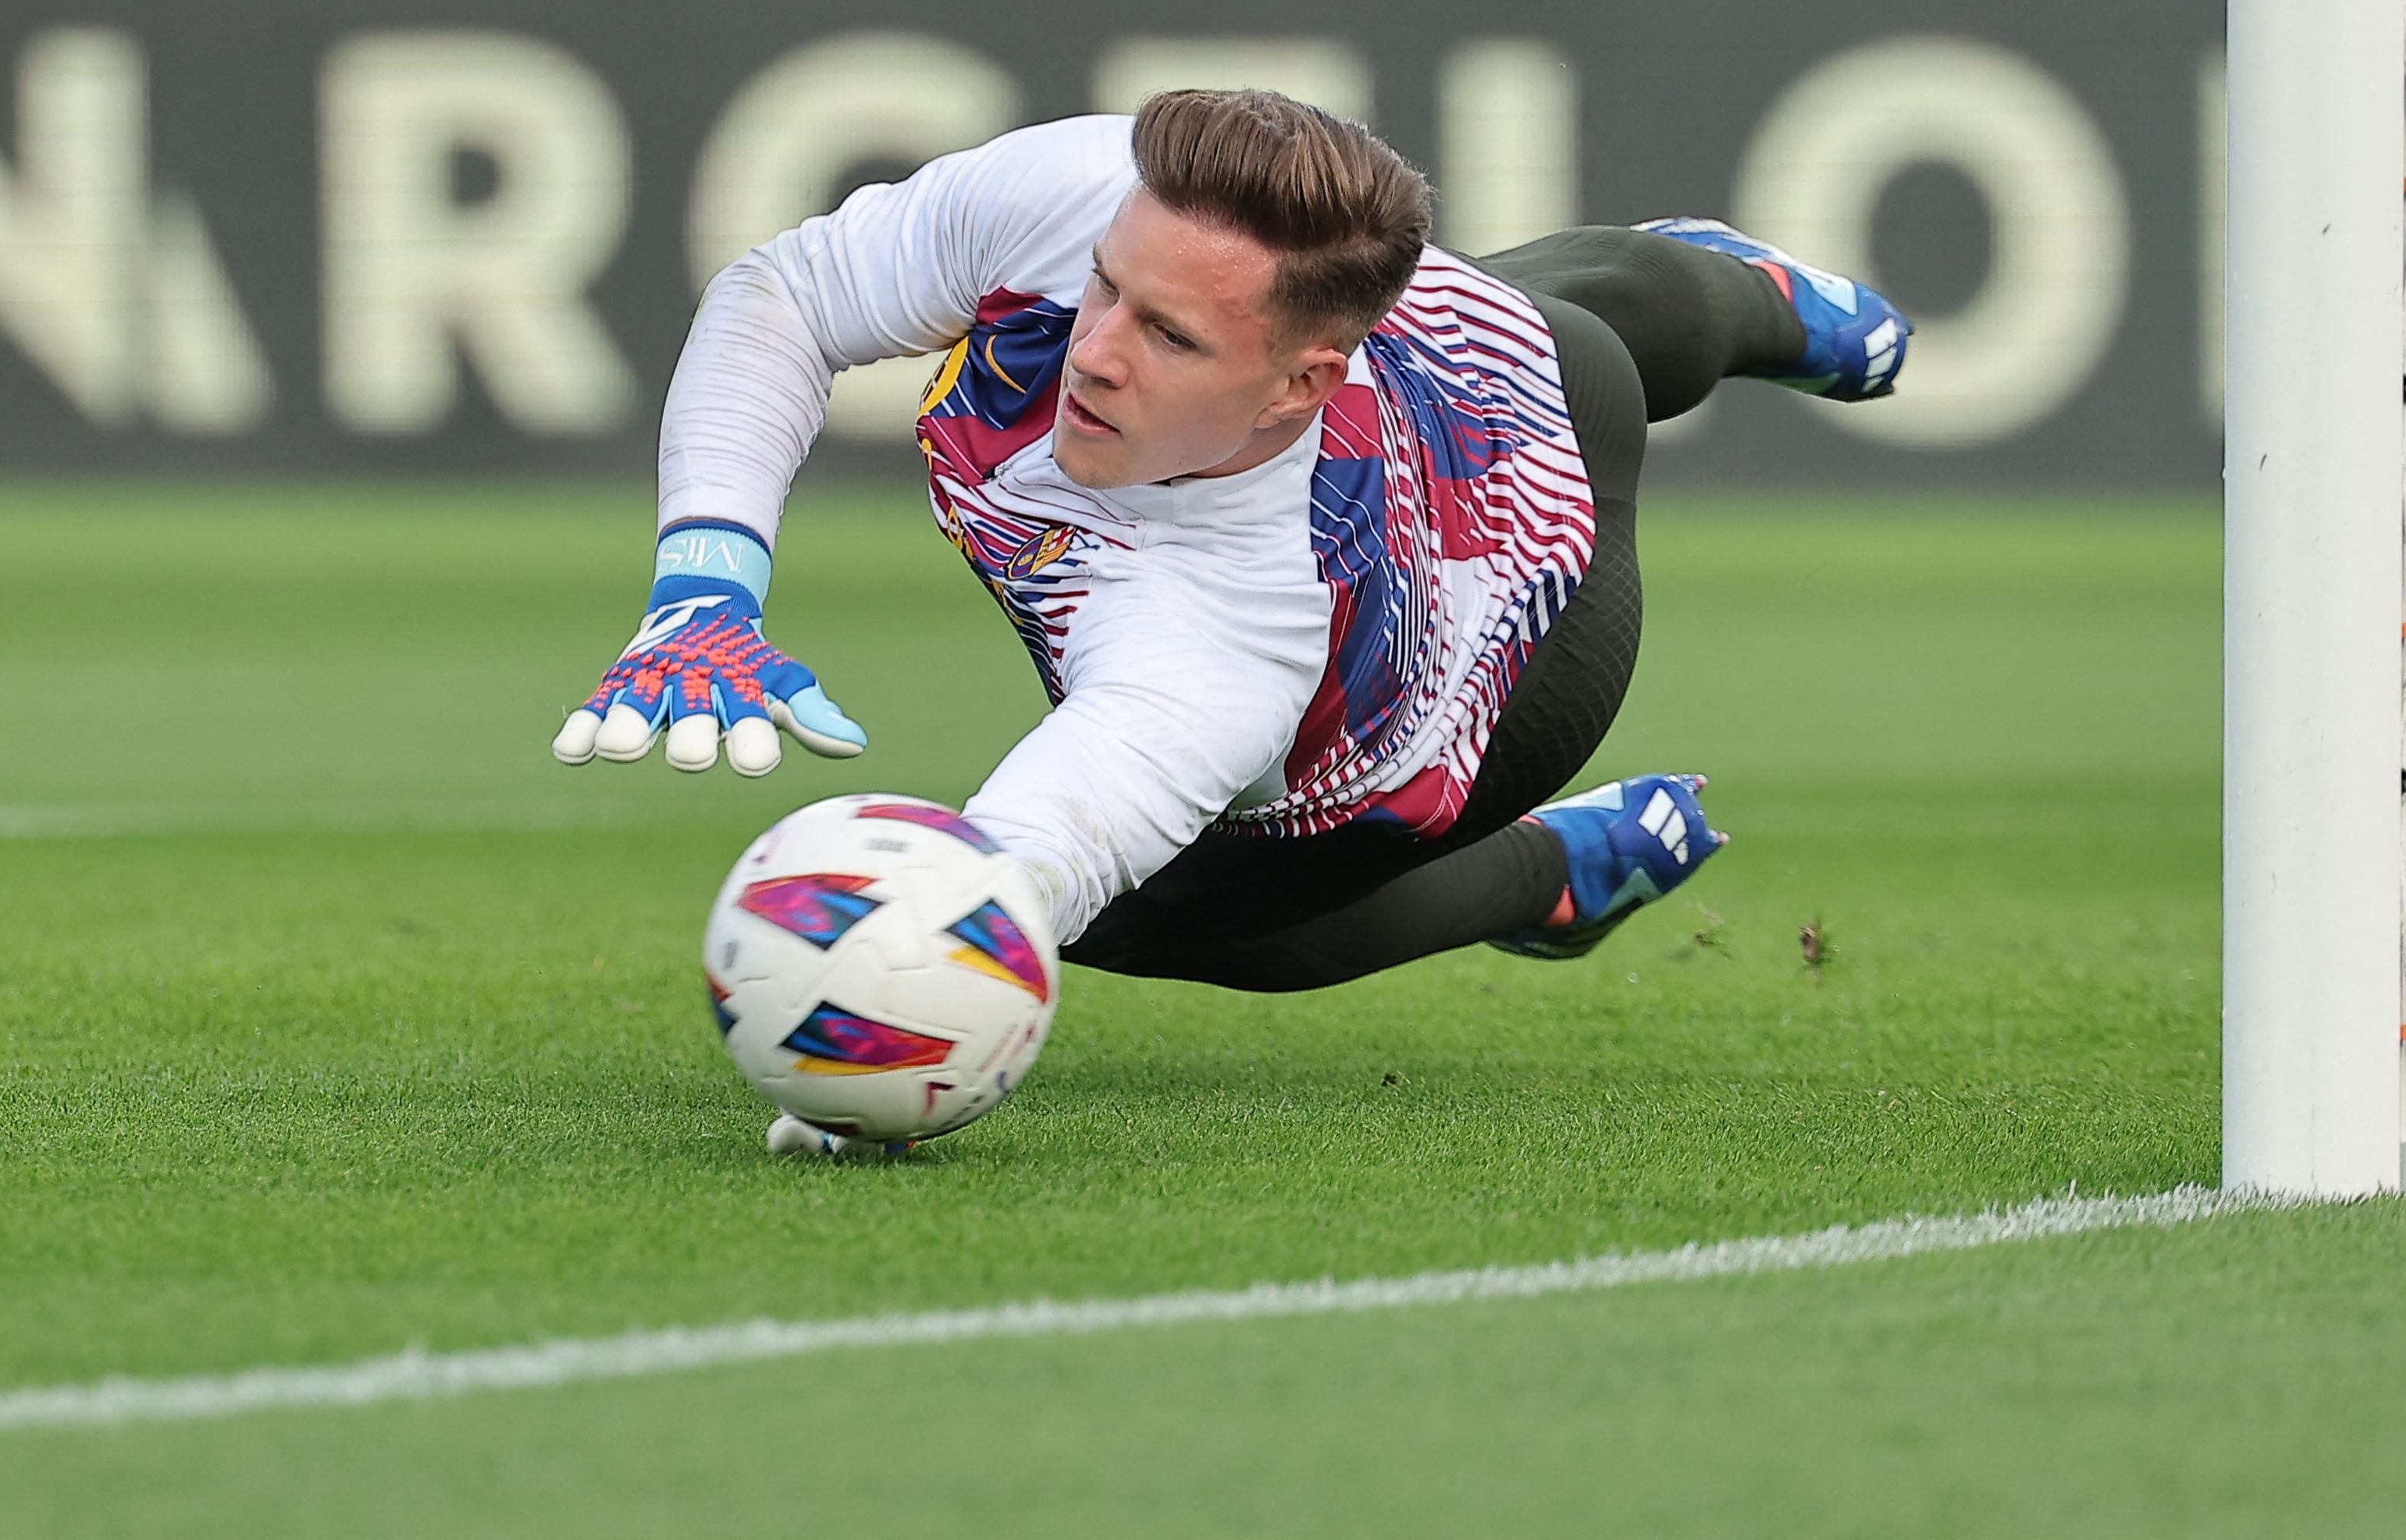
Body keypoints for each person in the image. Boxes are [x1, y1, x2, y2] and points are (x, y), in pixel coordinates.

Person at [548, 91, 1913, 993]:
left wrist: (879, 1012)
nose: (1091, 350)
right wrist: (704, 583)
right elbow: (784, 296)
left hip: (1512, 670)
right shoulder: (1085, 187)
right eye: (1107, 287)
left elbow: (1004, 883)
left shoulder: (1233, 637)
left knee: (1159, 924)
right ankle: (1703, 287)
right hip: (1438, 368)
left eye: (1170, 337)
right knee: (1567, 295)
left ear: (1298, 385)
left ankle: (1544, 875)